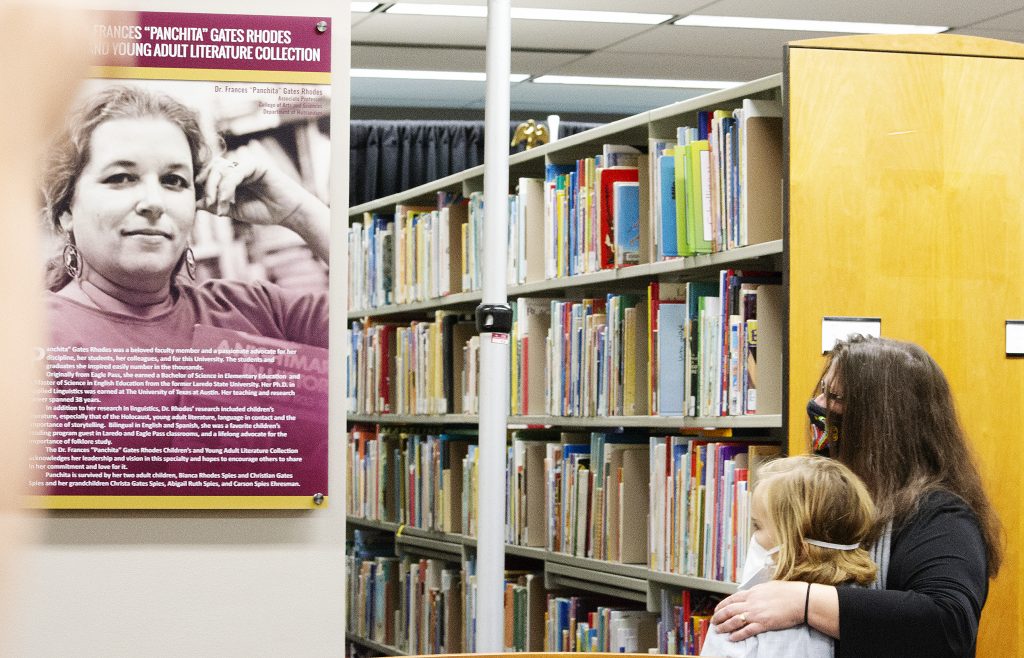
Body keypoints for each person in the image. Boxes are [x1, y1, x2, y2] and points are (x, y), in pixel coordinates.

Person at [711, 336, 1002, 658]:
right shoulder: (827, 498)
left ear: (882, 420)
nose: (819, 405)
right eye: (821, 390)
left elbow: (948, 622)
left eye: (834, 397)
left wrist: (804, 602)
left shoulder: (940, 514)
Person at [42, 84, 330, 350]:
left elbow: (370, 312)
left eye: (173, 180)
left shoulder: (254, 312)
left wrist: (299, 212)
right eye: (121, 177)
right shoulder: (33, 336)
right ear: (66, 208)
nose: (154, 202)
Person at [700, 455, 877, 658]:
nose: (753, 537)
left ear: (798, 548)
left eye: (758, 526)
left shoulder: (741, 623)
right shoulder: (875, 614)